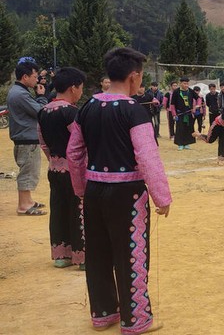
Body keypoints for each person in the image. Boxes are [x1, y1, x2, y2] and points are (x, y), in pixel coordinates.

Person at [67, 47, 171, 334]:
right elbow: (148, 157)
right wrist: (162, 197)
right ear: (134, 77)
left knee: (98, 253)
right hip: (128, 196)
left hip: (94, 191)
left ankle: (103, 314)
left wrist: (80, 188)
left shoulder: (86, 108)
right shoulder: (133, 110)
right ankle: (135, 319)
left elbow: (74, 153)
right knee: (132, 255)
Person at [37, 67, 86, 268]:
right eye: (81, 88)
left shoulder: (43, 111)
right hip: (73, 171)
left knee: (58, 209)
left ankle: (61, 255)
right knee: (79, 210)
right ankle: (82, 256)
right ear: (73, 88)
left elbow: (43, 142)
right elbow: (80, 143)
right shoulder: (71, 112)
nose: (81, 92)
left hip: (54, 169)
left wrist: (54, 160)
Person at [8, 59, 49, 215]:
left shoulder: (19, 91)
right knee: (27, 171)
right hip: (26, 139)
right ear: (25, 77)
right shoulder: (20, 94)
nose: (36, 79)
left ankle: (28, 200)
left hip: (25, 138)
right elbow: (40, 111)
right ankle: (24, 206)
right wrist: (41, 97)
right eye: (34, 76)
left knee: (30, 170)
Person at [170, 77, 199, 150]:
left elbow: (198, 98)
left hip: (189, 113)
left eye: (187, 83)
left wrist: (197, 105)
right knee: (180, 129)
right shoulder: (176, 92)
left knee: (188, 128)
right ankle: (180, 144)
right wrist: (174, 114)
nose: (186, 85)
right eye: (184, 83)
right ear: (180, 83)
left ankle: (187, 143)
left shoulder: (191, 91)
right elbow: (172, 104)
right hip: (179, 114)